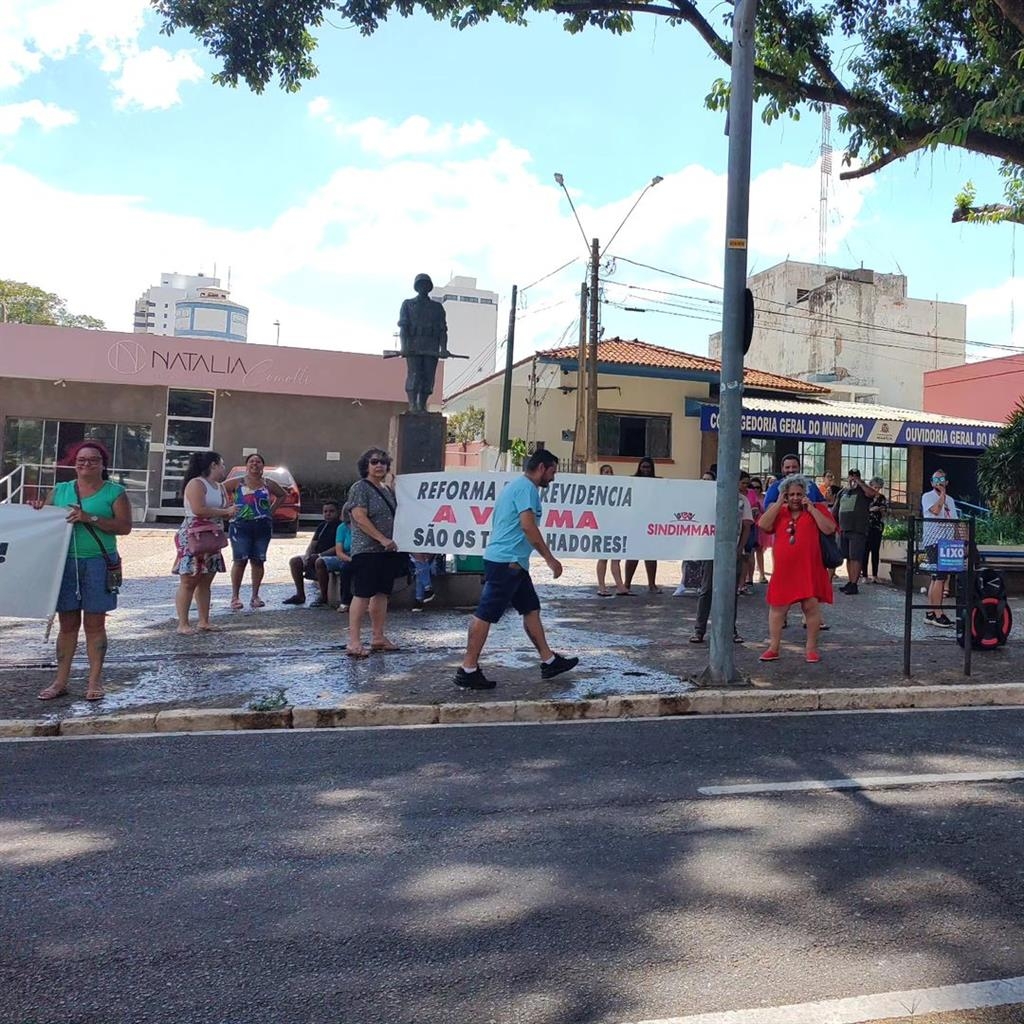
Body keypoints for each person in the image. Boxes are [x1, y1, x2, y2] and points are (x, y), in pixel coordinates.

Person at [455, 449, 578, 689]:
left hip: (514, 563)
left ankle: (549, 661)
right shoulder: (526, 489)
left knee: (531, 609)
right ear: (541, 468)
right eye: (552, 472)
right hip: (506, 563)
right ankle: (467, 668)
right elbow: (528, 527)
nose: (553, 478)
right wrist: (550, 559)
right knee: (485, 613)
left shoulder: (519, 487)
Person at [33, 441, 132, 701]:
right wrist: (36, 508)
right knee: (67, 625)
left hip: (99, 561)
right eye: (81, 459)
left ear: (102, 463)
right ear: (73, 462)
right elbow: (44, 520)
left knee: (95, 623)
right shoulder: (61, 490)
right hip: (65, 563)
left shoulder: (115, 492)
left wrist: (92, 518)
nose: (86, 463)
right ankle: (60, 681)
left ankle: (94, 681)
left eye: (93, 459)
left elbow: (124, 527)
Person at [757, 473, 837, 663]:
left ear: (805, 494)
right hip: (784, 571)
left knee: (811, 607)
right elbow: (763, 525)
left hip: (809, 568)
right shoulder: (779, 511)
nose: (795, 498)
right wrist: (778, 503)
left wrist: (812, 508)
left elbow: (829, 529)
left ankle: (811, 648)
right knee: (777, 609)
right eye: (791, 494)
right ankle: (773, 647)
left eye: (798, 494)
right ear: (785, 495)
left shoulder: (816, 508)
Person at [345, 447, 402, 657]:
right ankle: (353, 642)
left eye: (383, 462)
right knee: (362, 594)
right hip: (367, 550)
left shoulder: (387, 489)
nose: (379, 466)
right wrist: (381, 538)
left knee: (381, 593)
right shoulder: (360, 488)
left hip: (387, 552)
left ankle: (378, 637)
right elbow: (360, 517)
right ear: (366, 466)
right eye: (375, 462)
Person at [763, 454, 828, 630]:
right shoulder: (776, 487)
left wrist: (810, 508)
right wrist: (783, 505)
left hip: (809, 542)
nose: (790, 470)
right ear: (782, 469)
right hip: (784, 540)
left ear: (799, 467)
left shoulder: (811, 486)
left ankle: (810, 617)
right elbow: (767, 509)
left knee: (809, 581)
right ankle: (782, 616)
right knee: (783, 582)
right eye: (787, 467)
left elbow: (823, 506)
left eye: (794, 467)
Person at [689, 469, 753, 645]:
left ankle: (730, 630)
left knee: (731, 592)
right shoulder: (712, 497)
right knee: (707, 590)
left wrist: (740, 548)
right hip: (712, 550)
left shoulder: (742, 500)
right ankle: (699, 630)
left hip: (732, 550)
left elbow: (747, 526)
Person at [172, 451, 232, 634]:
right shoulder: (196, 483)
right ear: (213, 465)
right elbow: (198, 509)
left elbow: (222, 508)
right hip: (194, 535)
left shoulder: (220, 487)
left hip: (212, 535)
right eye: (221, 464)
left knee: (206, 579)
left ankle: (204, 620)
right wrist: (225, 512)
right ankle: (183, 623)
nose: (224, 468)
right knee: (189, 579)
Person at [224, 453, 286, 611]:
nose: (255, 464)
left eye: (258, 462)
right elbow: (220, 489)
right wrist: (226, 509)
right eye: (251, 461)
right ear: (246, 465)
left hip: (262, 526)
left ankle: (255, 595)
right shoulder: (238, 482)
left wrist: (271, 511)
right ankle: (235, 596)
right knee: (240, 560)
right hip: (240, 526)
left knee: (258, 560)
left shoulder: (268, 483)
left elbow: (282, 495)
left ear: (262, 466)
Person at [398, 272, 449, 413]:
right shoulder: (408, 305)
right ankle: (413, 405)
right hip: (414, 346)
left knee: (428, 377)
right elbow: (404, 328)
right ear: (416, 287)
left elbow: (442, 330)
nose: (423, 287)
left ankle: (422, 405)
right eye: (420, 284)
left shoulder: (437, 308)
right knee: (414, 375)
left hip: (431, 347)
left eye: (426, 284)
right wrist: (404, 347)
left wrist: (443, 348)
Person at [284, 500, 341, 607]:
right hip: (316, 555)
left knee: (319, 562)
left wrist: (320, 555)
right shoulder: (322, 526)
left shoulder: (340, 527)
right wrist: (307, 555)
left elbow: (338, 547)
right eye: (325, 511)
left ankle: (323, 597)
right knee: (295, 561)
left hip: (331, 556)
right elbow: (313, 544)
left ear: (338, 512)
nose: (328, 514)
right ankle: (300, 595)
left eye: (331, 511)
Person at [921, 468, 959, 627]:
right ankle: (938, 613)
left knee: (938, 578)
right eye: (936, 480)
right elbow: (936, 511)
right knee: (940, 577)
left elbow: (955, 521)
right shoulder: (927, 497)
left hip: (947, 543)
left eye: (942, 479)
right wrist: (941, 495)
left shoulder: (950, 500)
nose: (939, 482)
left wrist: (960, 542)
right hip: (934, 541)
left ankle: (930, 612)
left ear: (947, 482)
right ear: (931, 482)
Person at [833, 469, 877, 595]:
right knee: (848, 556)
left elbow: (872, 494)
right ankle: (850, 581)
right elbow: (835, 510)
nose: (853, 478)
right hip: (843, 529)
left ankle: (854, 583)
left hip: (857, 529)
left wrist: (860, 483)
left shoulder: (863, 491)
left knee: (856, 556)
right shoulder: (843, 492)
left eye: (855, 476)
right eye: (851, 476)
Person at [625, 456, 662, 594]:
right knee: (633, 554)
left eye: (648, 467)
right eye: (643, 467)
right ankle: (627, 583)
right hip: (635, 521)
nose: (645, 469)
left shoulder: (658, 483)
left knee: (651, 555)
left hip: (651, 522)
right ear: (639, 467)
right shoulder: (632, 481)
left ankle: (652, 584)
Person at [674, 470, 715, 596]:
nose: (705, 482)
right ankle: (683, 583)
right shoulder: (695, 495)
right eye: (703, 479)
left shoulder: (715, 495)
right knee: (688, 558)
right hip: (694, 531)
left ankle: (701, 584)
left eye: (708, 479)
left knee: (705, 561)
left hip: (708, 532)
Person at [596, 464, 630, 597]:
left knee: (616, 558)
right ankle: (601, 586)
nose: (608, 474)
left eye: (610, 471)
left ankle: (620, 586)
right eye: (605, 472)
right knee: (603, 557)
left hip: (616, 525)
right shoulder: (598, 488)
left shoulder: (618, 488)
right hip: (603, 526)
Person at [317, 507, 354, 612]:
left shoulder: (364, 526)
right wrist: (349, 559)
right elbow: (339, 551)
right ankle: (344, 601)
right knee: (345, 568)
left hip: (363, 554)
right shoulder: (342, 527)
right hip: (346, 556)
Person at [740, 475, 764, 593]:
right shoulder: (731, 493)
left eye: (747, 483)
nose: (746, 486)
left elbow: (755, 508)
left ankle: (742, 584)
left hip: (749, 526)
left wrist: (753, 512)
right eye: (743, 483)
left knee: (746, 554)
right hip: (736, 528)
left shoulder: (750, 493)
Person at [864, 477, 888, 583]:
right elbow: (861, 510)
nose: (876, 490)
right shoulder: (865, 496)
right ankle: (864, 575)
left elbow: (884, 511)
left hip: (877, 527)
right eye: (875, 487)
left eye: (878, 488)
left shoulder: (881, 498)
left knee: (875, 551)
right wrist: (870, 509)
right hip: (865, 526)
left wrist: (881, 510)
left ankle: (875, 575)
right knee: (865, 551)